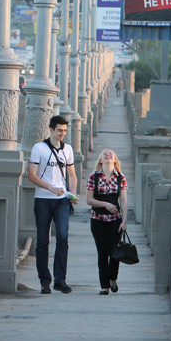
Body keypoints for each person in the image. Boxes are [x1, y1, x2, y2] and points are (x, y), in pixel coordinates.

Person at [27, 115, 78, 294]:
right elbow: (31, 175)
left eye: (64, 131)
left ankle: (60, 280)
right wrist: (50, 187)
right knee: (43, 240)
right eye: (59, 130)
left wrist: (72, 193)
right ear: (51, 129)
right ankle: (44, 281)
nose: (62, 134)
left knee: (63, 237)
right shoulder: (39, 148)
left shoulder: (68, 149)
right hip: (43, 199)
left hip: (61, 200)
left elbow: (72, 174)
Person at [85, 148, 128, 295]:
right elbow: (89, 200)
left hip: (115, 220)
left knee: (114, 252)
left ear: (115, 160)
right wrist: (105, 204)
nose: (108, 155)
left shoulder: (120, 177)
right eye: (105, 154)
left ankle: (113, 278)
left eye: (111, 154)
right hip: (98, 220)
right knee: (102, 253)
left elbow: (123, 200)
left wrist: (124, 221)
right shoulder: (94, 176)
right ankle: (104, 286)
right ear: (101, 160)